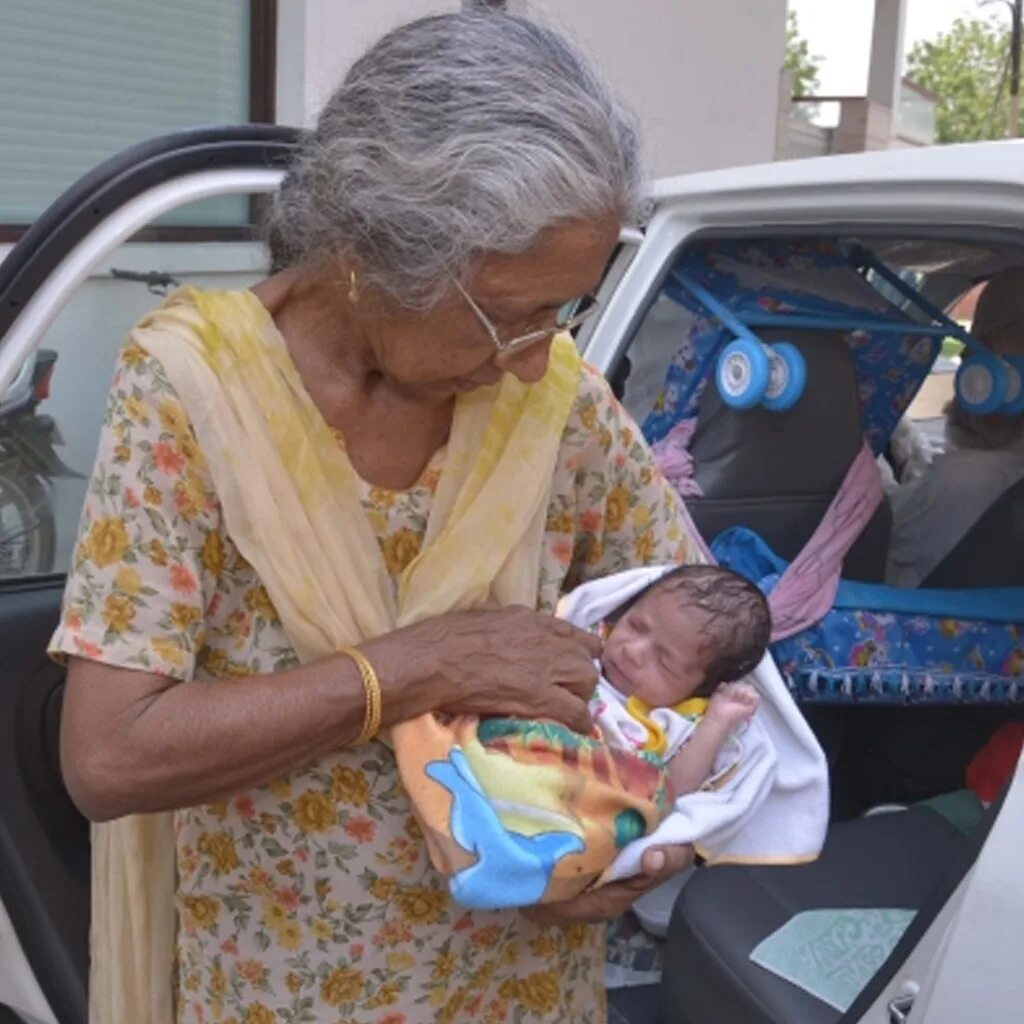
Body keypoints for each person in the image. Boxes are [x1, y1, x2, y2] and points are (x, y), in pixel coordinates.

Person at [52, 11, 700, 1024]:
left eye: (562, 311)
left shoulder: (554, 403)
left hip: (517, 988)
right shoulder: (195, 390)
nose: (537, 355)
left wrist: (651, 835)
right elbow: (109, 756)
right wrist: (415, 667)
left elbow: (711, 652)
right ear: (372, 250)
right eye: (511, 313)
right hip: (283, 982)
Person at [887, 267, 1024, 588]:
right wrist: (903, 437)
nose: (963, 354)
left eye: (976, 342)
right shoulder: (989, 473)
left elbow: (879, 521)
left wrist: (860, 445)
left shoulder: (970, 480)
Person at [588, 564, 769, 799]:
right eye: (636, 626)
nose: (633, 651)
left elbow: (671, 791)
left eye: (664, 662)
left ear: (700, 689)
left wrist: (717, 721)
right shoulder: (586, 639)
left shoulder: (678, 724)